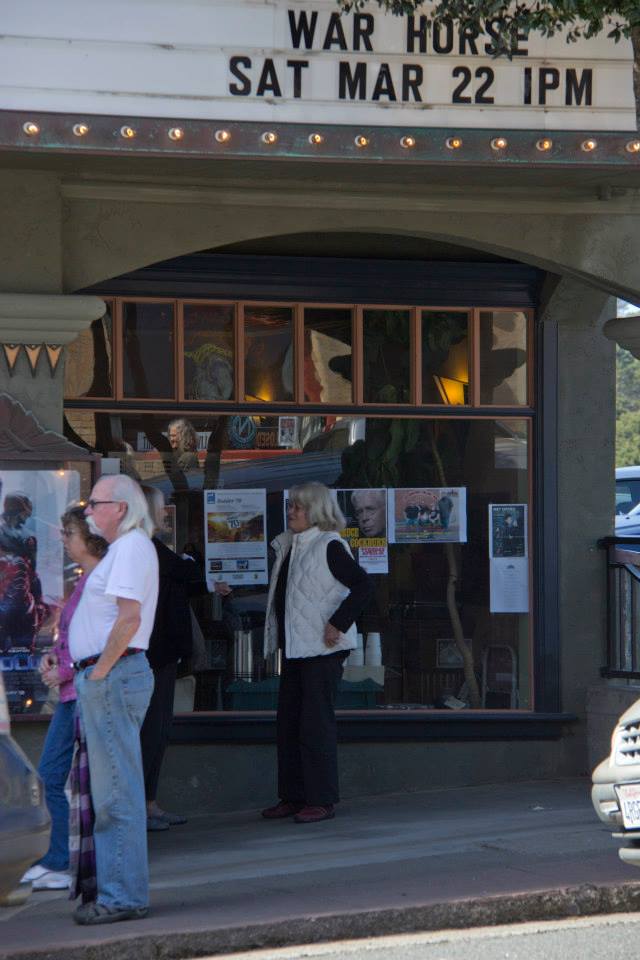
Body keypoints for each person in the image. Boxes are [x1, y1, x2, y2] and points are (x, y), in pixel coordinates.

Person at [68, 474, 158, 926]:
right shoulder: (126, 548)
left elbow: (129, 618)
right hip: (110, 676)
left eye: (94, 503)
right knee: (111, 792)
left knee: (116, 794)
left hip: (113, 676)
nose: (88, 511)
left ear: (119, 507)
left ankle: (121, 896)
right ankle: (116, 890)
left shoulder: (130, 547)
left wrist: (99, 671)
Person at [261, 482, 372, 824]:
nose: (291, 511)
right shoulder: (290, 545)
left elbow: (364, 585)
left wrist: (338, 623)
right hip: (296, 649)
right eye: (291, 505)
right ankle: (293, 796)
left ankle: (321, 799)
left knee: (315, 725)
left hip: (322, 650)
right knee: (289, 724)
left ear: (317, 511)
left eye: (299, 506)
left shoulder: (329, 545)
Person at [20, 507, 108, 891]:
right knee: (54, 776)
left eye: (69, 535)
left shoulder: (100, 580)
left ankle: (63, 860)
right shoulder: (86, 579)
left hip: (85, 690)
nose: (64, 542)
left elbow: (102, 642)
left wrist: (64, 669)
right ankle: (59, 857)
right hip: (75, 690)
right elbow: (76, 636)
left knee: (59, 777)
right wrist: (55, 656)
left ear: (89, 539)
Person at [140, 485, 231, 831]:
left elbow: (178, 578)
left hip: (162, 653)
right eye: (162, 507)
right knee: (151, 730)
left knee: (159, 730)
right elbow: (178, 571)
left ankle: (149, 802)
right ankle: (142, 806)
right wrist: (199, 573)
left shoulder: (155, 550)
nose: (166, 513)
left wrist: (206, 582)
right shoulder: (144, 547)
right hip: (152, 653)